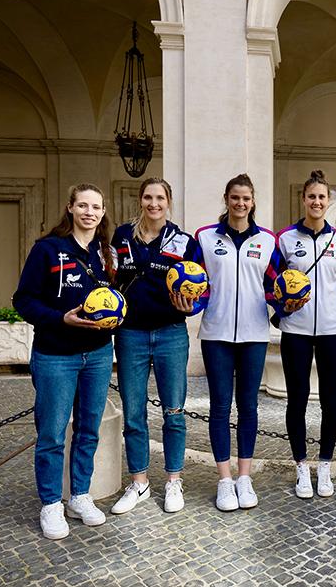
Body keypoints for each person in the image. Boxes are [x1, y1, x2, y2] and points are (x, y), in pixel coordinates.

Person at [13, 183, 115, 540]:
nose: (89, 212)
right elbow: (23, 300)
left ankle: (80, 496)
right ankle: (51, 503)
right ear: (70, 208)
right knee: (53, 434)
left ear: (103, 213)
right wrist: (60, 319)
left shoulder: (106, 254)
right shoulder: (48, 250)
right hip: (56, 354)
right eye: (83, 205)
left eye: (96, 207)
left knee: (89, 429)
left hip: (99, 354)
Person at [109, 178, 199, 515]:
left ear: (169, 201)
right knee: (134, 413)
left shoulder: (182, 241)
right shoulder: (122, 237)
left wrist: (194, 307)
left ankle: (174, 480)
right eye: (148, 197)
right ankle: (139, 482)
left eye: (160, 197)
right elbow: (111, 278)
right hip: (130, 334)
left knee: (173, 412)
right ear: (140, 199)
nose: (153, 203)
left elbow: (200, 287)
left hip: (171, 334)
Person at [196, 173, 284, 511]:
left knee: (248, 406)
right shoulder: (204, 237)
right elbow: (197, 282)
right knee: (219, 406)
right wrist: (190, 303)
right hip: (216, 334)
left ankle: (244, 477)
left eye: (246, 198)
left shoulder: (267, 241)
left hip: (254, 334)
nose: (240, 203)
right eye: (235, 197)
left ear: (253, 201)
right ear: (227, 198)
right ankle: (224, 479)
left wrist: (283, 307)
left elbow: (276, 286)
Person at [276, 170, 336, 499]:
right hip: (297, 331)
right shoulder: (286, 239)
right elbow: (273, 286)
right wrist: (281, 314)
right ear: (303, 199)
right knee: (298, 400)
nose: (317, 202)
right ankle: (301, 467)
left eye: (322, 197)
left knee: (330, 400)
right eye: (312, 196)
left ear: (328, 201)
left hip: (333, 330)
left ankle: (325, 465)